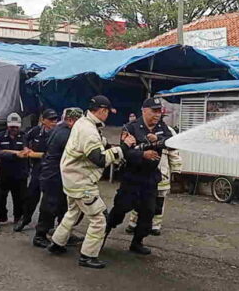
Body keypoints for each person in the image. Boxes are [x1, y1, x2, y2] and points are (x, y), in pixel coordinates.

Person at [48, 95, 135, 269]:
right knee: (99, 218)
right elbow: (99, 159)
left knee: (73, 212)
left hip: (72, 179)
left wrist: (113, 148)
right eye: (108, 112)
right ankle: (87, 256)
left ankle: (57, 244)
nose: (108, 115)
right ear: (102, 111)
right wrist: (124, 147)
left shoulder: (84, 123)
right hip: (82, 182)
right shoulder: (88, 130)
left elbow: (97, 145)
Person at [105, 98, 173, 255]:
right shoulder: (131, 127)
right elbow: (125, 151)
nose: (157, 115)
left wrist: (159, 140)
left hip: (150, 179)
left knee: (148, 212)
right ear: (144, 110)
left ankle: (137, 242)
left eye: (159, 111)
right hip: (132, 178)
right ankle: (100, 236)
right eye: (154, 111)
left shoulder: (162, 127)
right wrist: (143, 154)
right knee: (119, 210)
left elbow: (172, 142)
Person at [33, 107, 84, 248]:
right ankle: (40, 235)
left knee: (64, 206)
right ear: (70, 120)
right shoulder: (65, 133)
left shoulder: (62, 129)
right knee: (50, 206)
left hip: (58, 174)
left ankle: (63, 233)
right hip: (54, 175)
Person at [126, 125, 182, 236]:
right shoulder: (140, 127)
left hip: (162, 170)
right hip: (144, 169)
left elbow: (174, 152)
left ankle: (155, 226)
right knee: (139, 198)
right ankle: (133, 223)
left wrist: (176, 170)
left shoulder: (168, 131)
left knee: (159, 201)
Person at [14, 109, 59, 232]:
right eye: (50, 120)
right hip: (37, 169)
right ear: (43, 120)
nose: (54, 122)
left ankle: (45, 227)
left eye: (55, 120)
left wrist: (35, 154)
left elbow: (52, 154)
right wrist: (26, 147)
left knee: (49, 201)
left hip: (51, 170)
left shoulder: (57, 134)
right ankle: (25, 219)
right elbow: (25, 137)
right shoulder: (36, 131)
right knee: (31, 196)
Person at [0, 113, 29, 225]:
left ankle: (18, 217)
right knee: (0, 196)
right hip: (5, 172)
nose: (14, 129)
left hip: (20, 173)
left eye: (16, 127)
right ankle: (1, 216)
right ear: (7, 125)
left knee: (20, 198)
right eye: (11, 126)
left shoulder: (24, 136)